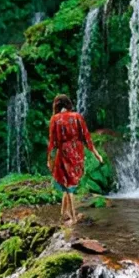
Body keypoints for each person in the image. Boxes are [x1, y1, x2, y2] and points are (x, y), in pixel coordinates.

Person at [46, 94, 102, 225]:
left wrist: (49, 159)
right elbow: (86, 137)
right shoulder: (77, 116)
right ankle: (64, 214)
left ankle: (73, 218)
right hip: (77, 151)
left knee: (67, 184)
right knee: (70, 183)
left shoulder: (55, 119)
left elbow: (52, 142)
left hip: (63, 152)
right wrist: (96, 153)